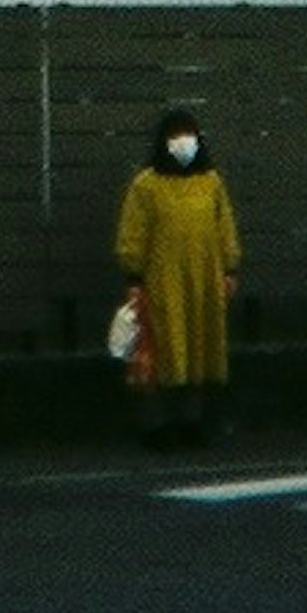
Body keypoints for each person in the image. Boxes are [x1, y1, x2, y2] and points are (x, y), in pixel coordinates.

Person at [114, 106, 241, 448]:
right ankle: (155, 426)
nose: (183, 142)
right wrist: (134, 277)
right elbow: (133, 233)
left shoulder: (211, 182)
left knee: (196, 349)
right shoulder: (146, 185)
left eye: (188, 134)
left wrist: (230, 268)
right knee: (159, 350)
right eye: (176, 135)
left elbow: (224, 227)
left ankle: (190, 422)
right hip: (160, 283)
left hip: (204, 281)